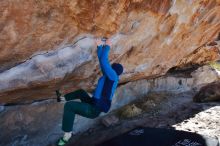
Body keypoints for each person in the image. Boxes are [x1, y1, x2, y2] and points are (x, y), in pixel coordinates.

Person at [56, 38, 124, 146]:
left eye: (111, 68)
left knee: (70, 106)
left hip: (93, 110)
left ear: (113, 70)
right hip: (93, 103)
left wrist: (107, 46)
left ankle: (67, 134)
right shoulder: (108, 76)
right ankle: (61, 99)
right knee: (81, 92)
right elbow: (102, 62)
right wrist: (99, 47)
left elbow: (104, 61)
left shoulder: (113, 76)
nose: (108, 68)